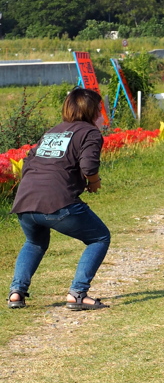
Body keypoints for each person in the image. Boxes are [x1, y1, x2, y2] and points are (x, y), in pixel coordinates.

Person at [8, 87, 110, 311]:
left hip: (25, 202)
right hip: (58, 203)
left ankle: (16, 292)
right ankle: (78, 293)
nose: (102, 114)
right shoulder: (90, 133)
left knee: (34, 242)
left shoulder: (53, 132)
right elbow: (89, 166)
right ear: (92, 111)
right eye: (100, 109)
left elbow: (28, 161)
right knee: (100, 238)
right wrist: (94, 182)